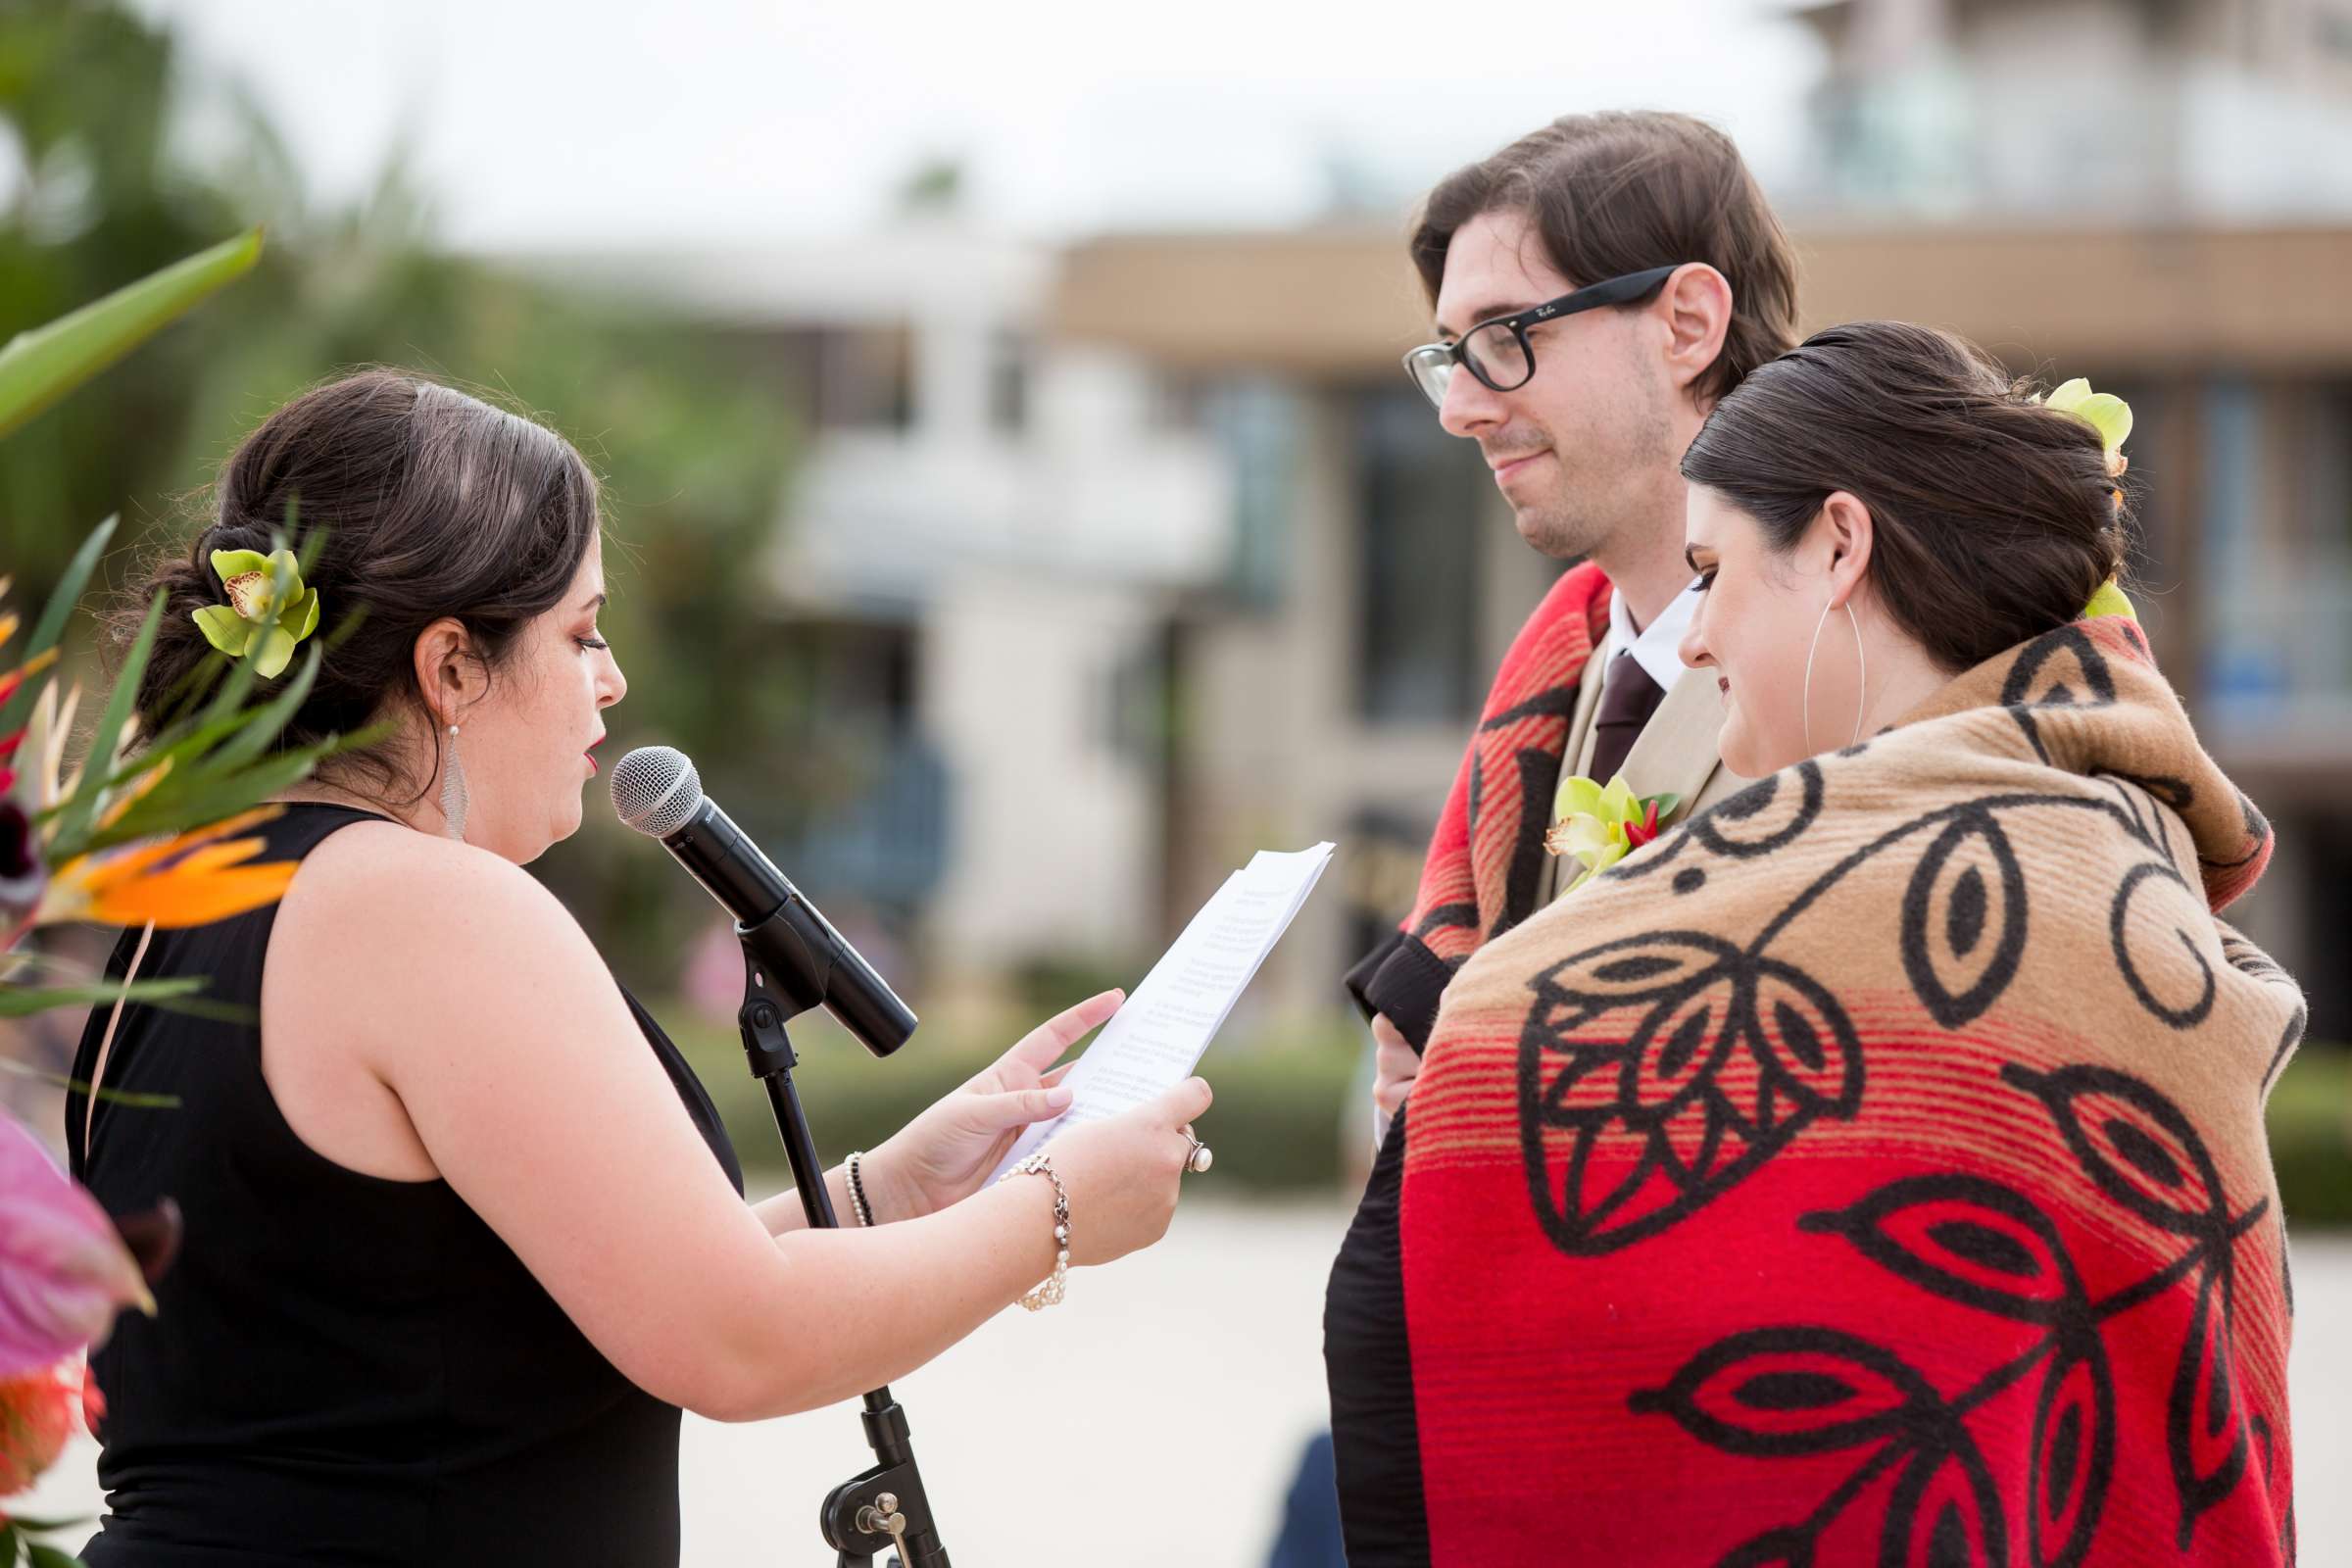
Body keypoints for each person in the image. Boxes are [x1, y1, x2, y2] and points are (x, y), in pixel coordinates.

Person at [65, 369, 1212, 1565]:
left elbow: (461, 1328)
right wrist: (1060, 1210)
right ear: (451, 666)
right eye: (579, 631)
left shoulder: (181, 906)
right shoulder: (426, 906)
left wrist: (890, 1193)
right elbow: (736, 1341)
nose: (610, 680)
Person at [1331, 319, 2303, 1563]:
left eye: (1713, 572)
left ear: (1839, 545)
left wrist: (1481, 1054)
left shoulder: (1931, 898)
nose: (1691, 639)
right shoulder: (2115, 851)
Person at [1328, 111, 1799, 1557]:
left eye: (1507, 336)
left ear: (1687, 319)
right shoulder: (1557, 679)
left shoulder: (1900, 653)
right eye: (1446, 357)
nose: (1465, 405)